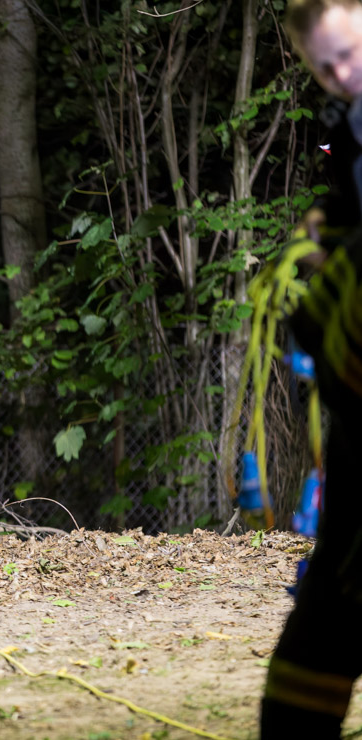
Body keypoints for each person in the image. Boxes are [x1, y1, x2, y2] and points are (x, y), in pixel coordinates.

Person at [260, 2, 362, 735]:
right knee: (332, 603)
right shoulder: (345, 127)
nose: (342, 74)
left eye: (351, 54)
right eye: (325, 67)